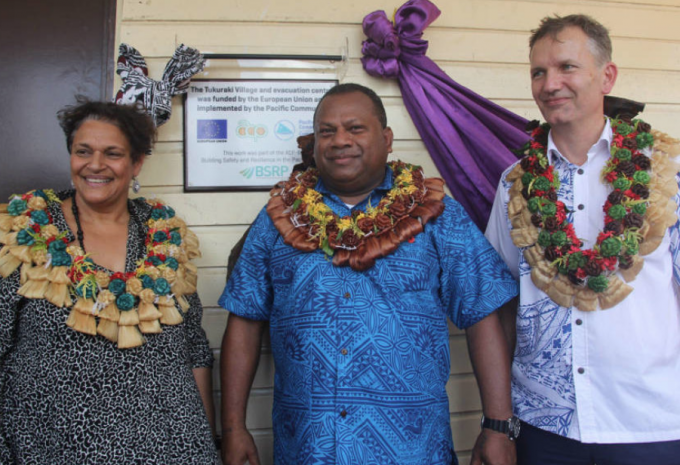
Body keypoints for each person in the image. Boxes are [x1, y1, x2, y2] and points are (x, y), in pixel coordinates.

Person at [219, 83, 519, 465]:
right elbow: (244, 319)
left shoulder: (437, 214)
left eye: (355, 128)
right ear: (314, 145)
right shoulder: (278, 219)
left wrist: (498, 426)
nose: (340, 140)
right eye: (327, 131)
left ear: (387, 138)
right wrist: (232, 428)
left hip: (412, 450)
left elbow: (482, 314)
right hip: (308, 450)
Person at [485, 14, 680, 465]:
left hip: (648, 419)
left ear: (606, 75)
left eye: (566, 67)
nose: (550, 83)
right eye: (538, 71)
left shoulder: (665, 172)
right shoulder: (514, 184)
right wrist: (499, 422)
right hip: (544, 423)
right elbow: (502, 301)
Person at [0, 99, 219, 464]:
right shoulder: (26, 233)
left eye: (112, 153)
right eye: (83, 151)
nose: (95, 164)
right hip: (51, 448)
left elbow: (193, 348)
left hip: (169, 448)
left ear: (136, 163)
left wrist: (208, 445)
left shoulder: (164, 236)